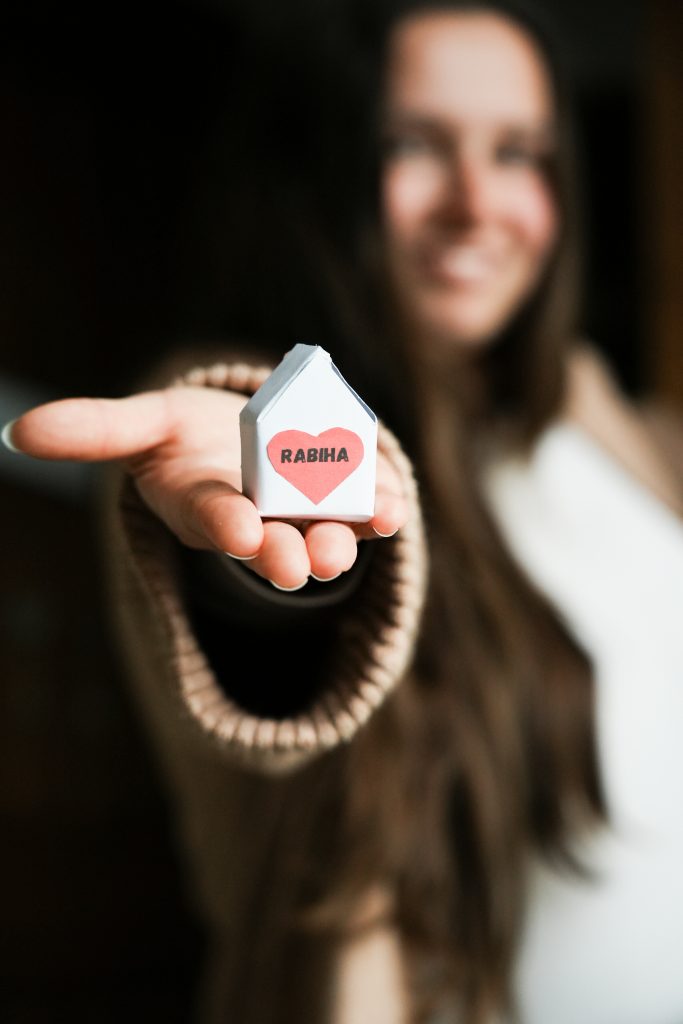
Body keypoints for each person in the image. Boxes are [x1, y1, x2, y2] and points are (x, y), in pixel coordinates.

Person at [4, 2, 683, 1022]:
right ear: (314, 167)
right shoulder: (239, 410)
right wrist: (271, 560)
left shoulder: (585, 407)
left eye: (518, 153)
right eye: (412, 144)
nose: (475, 201)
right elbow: (275, 641)